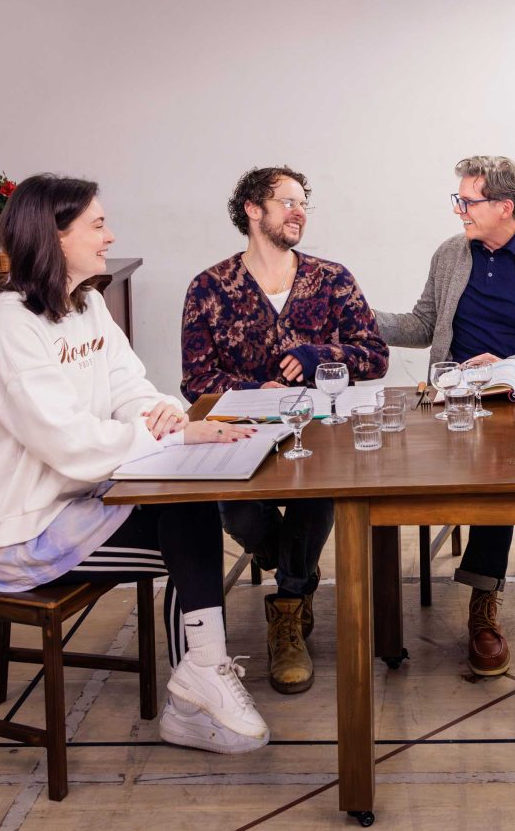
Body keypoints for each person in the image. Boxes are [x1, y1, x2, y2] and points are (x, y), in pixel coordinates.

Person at [0, 173, 269, 754]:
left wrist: (166, 417)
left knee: (190, 512)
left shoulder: (87, 303)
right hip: (22, 530)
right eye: (97, 224)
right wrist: (172, 441)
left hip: (81, 502)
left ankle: (198, 686)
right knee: (191, 533)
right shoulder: (7, 325)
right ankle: (198, 689)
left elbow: (132, 386)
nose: (110, 236)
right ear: (54, 236)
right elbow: (70, 445)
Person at [374, 155, 515, 676]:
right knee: (504, 465)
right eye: (460, 200)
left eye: (467, 202)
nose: (459, 211)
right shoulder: (451, 254)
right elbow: (424, 324)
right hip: (456, 399)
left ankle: (482, 607)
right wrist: (359, 316)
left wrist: (510, 364)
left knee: (502, 465)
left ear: (503, 207)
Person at [181, 166, 388, 695]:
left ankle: (289, 608)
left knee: (315, 497)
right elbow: (197, 380)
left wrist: (319, 355)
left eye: (303, 204)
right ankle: (293, 563)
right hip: (241, 434)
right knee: (237, 510)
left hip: (319, 434)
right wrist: (259, 390)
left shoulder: (332, 278)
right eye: (287, 202)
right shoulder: (209, 287)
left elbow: (376, 356)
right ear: (253, 208)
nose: (299, 212)